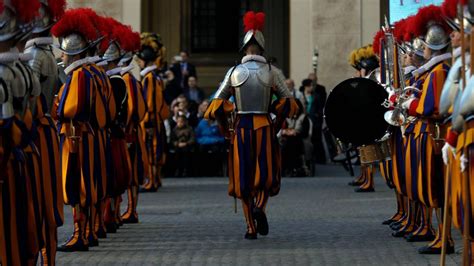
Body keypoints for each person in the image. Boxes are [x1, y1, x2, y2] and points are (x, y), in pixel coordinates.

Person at [205, 11, 298, 239]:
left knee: (243, 176)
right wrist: (277, 124)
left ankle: (250, 227)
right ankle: (260, 208)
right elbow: (289, 103)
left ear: (244, 48)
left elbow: (215, 104)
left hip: (241, 127)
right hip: (265, 126)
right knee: (266, 173)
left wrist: (225, 127)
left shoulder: (234, 71)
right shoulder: (272, 72)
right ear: (262, 49)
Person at [52, 8, 100, 252]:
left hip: (75, 136)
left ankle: (81, 234)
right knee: (83, 186)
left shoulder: (80, 74)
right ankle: (87, 231)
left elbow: (69, 108)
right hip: (81, 134)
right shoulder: (84, 73)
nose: (62, 54)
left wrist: (56, 109)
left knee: (77, 186)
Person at [25, 0, 66, 262]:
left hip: (33, 133)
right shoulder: (49, 55)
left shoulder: (34, 58)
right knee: (47, 200)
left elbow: (28, 101)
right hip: (48, 131)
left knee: (34, 200)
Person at [137, 33, 169, 192]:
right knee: (154, 149)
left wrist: (148, 122)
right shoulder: (154, 76)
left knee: (150, 150)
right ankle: (155, 179)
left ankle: (151, 181)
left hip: (150, 118)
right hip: (155, 118)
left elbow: (150, 102)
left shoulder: (149, 77)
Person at [195, 100, 226, 176]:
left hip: (217, 143)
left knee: (216, 149)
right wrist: (211, 140)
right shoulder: (202, 123)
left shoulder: (219, 123)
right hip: (205, 143)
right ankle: (205, 171)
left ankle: (217, 171)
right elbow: (198, 137)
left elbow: (224, 136)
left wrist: (217, 140)